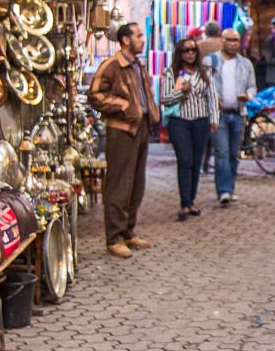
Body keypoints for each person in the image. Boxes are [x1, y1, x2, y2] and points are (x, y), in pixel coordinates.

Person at [87, 22, 160, 258]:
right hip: (121, 129)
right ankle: (114, 237)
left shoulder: (138, 65)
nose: (143, 39)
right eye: (138, 35)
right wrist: (123, 106)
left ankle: (129, 231)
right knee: (119, 183)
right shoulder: (112, 65)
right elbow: (95, 95)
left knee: (136, 184)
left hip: (141, 128)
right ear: (126, 40)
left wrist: (151, 111)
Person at [159, 38, 219, 220]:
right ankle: (184, 203)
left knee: (195, 162)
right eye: (186, 51)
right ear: (180, 53)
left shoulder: (205, 72)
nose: (190, 53)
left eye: (193, 50)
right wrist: (180, 92)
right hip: (179, 121)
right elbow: (164, 98)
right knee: (184, 159)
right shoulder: (171, 73)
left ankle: (191, 200)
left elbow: (212, 97)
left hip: (200, 121)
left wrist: (214, 119)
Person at [211, 28, 257, 206]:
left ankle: (230, 188)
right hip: (219, 114)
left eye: (236, 40)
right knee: (221, 152)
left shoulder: (245, 64)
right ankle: (223, 190)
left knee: (233, 154)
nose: (232, 43)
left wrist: (248, 96)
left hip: (238, 113)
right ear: (222, 41)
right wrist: (213, 98)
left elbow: (252, 86)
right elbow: (204, 84)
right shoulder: (212, 61)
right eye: (229, 40)